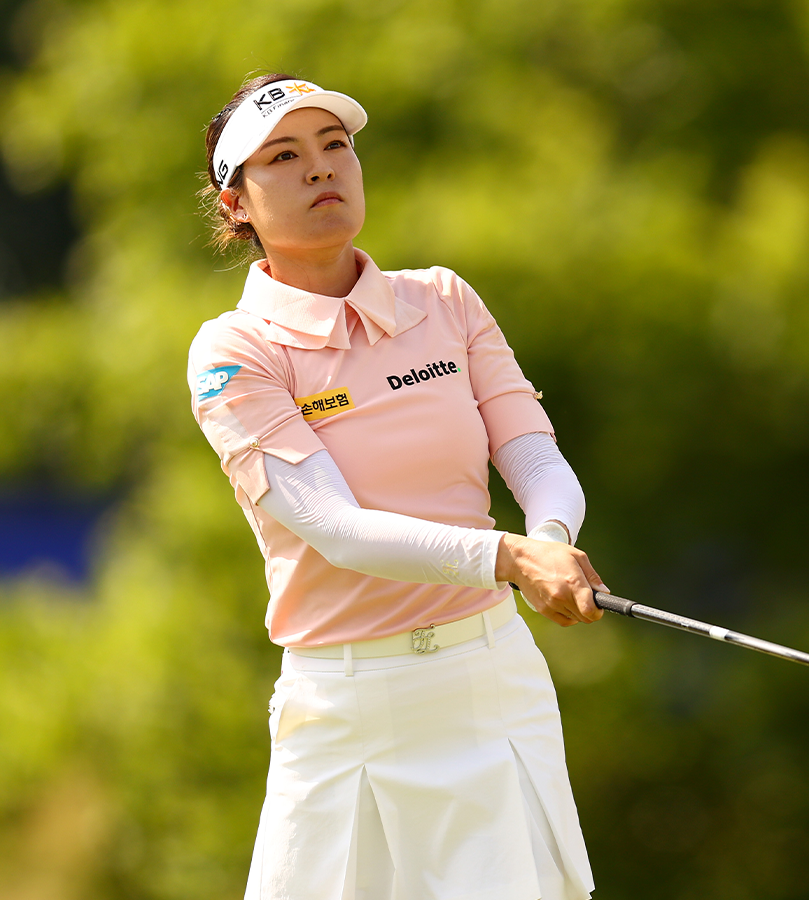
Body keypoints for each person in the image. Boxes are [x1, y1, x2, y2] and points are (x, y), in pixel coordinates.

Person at [186, 73, 604, 900]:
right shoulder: (232, 351)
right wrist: (512, 559)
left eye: (335, 146)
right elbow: (335, 528)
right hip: (348, 709)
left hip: (492, 685)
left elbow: (534, 458)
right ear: (236, 203)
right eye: (284, 156)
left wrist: (549, 542)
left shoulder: (443, 300)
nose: (321, 170)